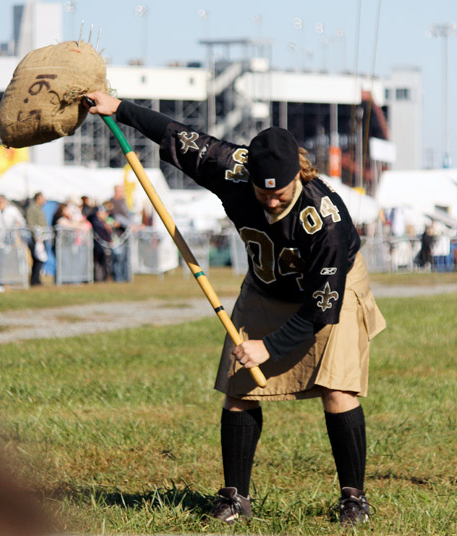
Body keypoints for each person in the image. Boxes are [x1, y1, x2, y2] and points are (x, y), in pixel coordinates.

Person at [86, 91, 386, 527]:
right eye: (263, 195)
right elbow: (179, 136)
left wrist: (271, 346)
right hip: (265, 288)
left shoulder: (326, 220)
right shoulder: (230, 168)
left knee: (338, 388)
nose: (271, 202)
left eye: (280, 195)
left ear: (296, 179)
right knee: (238, 390)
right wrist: (120, 109)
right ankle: (234, 498)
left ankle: (354, 499)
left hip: (329, 294)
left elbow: (323, 307)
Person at [25, 192, 49, 286]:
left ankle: (37, 279)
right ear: (38, 198)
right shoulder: (32, 208)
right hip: (35, 238)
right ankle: (34, 280)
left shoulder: (39, 208)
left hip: (41, 238)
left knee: (40, 259)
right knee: (37, 259)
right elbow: (30, 223)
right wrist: (35, 236)